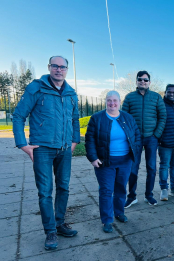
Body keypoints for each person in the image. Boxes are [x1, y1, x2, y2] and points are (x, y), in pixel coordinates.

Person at [13, 56, 80, 250]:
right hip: (42, 149)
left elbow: (75, 119)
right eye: (55, 66)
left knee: (64, 188)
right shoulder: (36, 88)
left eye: (62, 67)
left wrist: (74, 141)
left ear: (67, 69)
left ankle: (60, 224)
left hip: (65, 149)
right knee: (45, 192)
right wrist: (22, 144)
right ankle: (50, 231)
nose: (59, 70)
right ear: (49, 67)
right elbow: (18, 116)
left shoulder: (71, 93)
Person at [85, 91, 141, 232]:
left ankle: (119, 212)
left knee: (121, 188)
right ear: (105, 102)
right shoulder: (97, 118)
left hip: (125, 161)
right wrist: (93, 157)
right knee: (106, 190)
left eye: (115, 100)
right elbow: (89, 139)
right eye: (109, 100)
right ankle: (107, 220)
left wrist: (135, 154)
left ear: (119, 102)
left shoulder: (128, 118)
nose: (112, 103)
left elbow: (137, 137)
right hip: (105, 162)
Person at [122, 71, 166, 207]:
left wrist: (156, 134)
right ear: (136, 81)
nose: (143, 82)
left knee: (151, 167)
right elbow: (124, 118)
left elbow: (162, 116)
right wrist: (130, 136)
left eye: (145, 80)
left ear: (149, 82)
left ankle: (149, 195)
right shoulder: (129, 97)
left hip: (151, 138)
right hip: (135, 140)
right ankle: (132, 196)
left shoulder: (156, 97)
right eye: (140, 79)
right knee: (133, 168)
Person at [158, 84, 174, 200]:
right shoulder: (161, 104)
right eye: (169, 92)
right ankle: (164, 189)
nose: (172, 94)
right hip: (165, 144)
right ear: (165, 92)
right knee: (164, 166)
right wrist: (160, 138)